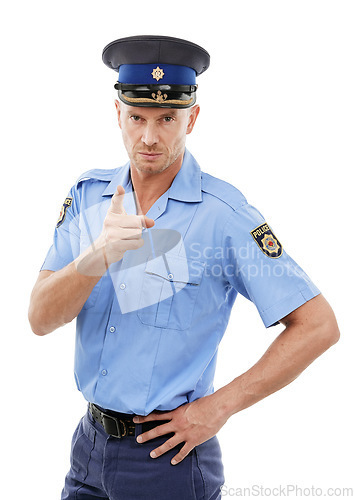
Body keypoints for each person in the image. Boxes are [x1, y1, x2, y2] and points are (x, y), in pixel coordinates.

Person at [28, 35, 340, 500]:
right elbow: (39, 319)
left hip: (166, 459)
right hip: (87, 447)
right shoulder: (89, 196)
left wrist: (218, 408)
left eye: (167, 119)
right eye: (137, 117)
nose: (149, 137)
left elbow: (318, 326)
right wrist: (97, 257)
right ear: (118, 114)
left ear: (191, 118)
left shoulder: (224, 215)